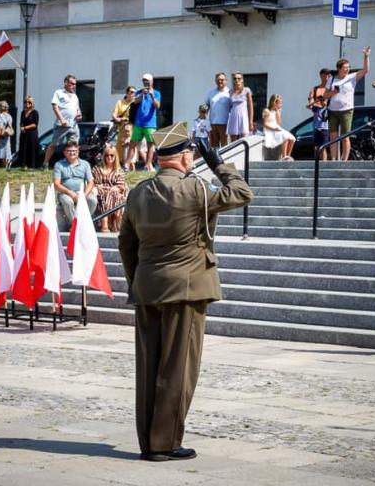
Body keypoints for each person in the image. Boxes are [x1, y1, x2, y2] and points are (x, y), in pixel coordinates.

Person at [118, 122, 253, 462]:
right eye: (191, 153)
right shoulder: (194, 190)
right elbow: (242, 192)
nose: (193, 157)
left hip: (148, 288)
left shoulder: (138, 192)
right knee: (177, 369)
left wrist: (139, 279)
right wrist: (220, 162)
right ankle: (165, 443)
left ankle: (149, 441)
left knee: (148, 369)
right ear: (182, 156)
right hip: (187, 288)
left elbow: (126, 243)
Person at [324, 47, 371, 161]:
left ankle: (344, 159)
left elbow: (365, 70)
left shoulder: (352, 77)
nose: (347, 69)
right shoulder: (331, 79)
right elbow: (325, 96)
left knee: (345, 137)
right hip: (332, 111)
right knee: (333, 137)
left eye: (348, 67)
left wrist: (366, 56)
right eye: (345, 68)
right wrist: (333, 92)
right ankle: (334, 159)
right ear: (339, 68)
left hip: (346, 110)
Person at [53, 140, 97, 230]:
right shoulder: (59, 164)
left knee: (92, 200)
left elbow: (91, 182)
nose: (72, 153)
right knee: (67, 201)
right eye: (69, 151)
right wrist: (70, 193)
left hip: (81, 192)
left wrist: (83, 195)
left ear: (78, 152)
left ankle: (80, 222)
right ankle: (76, 225)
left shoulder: (85, 164)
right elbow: (56, 184)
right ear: (65, 152)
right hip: (65, 192)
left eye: (74, 151)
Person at [43, 74, 82, 170]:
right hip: (62, 125)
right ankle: (45, 163)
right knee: (54, 145)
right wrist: (61, 119)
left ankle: (73, 164)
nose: (74, 86)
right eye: (72, 83)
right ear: (66, 82)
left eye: (75, 84)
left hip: (73, 125)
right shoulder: (59, 92)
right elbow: (55, 106)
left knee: (74, 145)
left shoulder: (75, 96)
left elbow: (78, 109)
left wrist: (79, 115)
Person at [92, 144, 129, 232]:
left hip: (115, 193)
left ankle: (105, 224)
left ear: (115, 156)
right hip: (100, 192)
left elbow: (120, 186)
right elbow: (94, 182)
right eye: (107, 155)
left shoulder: (119, 170)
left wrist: (109, 189)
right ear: (104, 156)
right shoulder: (97, 168)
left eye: (112, 155)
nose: (109, 157)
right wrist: (107, 188)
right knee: (107, 194)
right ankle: (112, 224)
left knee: (112, 194)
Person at [131, 73, 161, 172]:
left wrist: (152, 96)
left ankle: (148, 166)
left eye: (147, 81)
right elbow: (135, 102)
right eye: (144, 81)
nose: (145, 82)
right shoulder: (139, 92)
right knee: (133, 144)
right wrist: (141, 94)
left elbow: (157, 106)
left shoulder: (156, 93)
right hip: (138, 122)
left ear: (152, 82)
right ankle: (127, 165)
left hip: (150, 123)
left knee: (150, 145)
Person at [307, 68, 331, 160]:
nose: (328, 77)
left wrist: (322, 102)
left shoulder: (331, 89)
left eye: (329, 75)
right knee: (317, 146)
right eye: (326, 75)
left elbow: (328, 103)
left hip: (328, 123)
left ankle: (323, 166)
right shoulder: (315, 89)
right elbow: (311, 102)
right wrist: (312, 103)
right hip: (317, 123)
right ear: (321, 75)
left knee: (324, 146)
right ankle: (316, 164)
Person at [262, 94, 296, 161]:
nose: (281, 105)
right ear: (274, 102)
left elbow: (279, 123)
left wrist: (278, 112)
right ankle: (284, 155)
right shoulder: (266, 111)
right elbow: (265, 124)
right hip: (270, 130)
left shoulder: (276, 111)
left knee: (292, 138)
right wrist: (274, 128)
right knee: (285, 137)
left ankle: (288, 156)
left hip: (277, 128)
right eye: (279, 103)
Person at [205, 72, 231, 148]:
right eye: (218, 80)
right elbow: (206, 108)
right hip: (213, 124)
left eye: (222, 80)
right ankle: (215, 160)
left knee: (225, 147)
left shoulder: (229, 93)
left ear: (226, 80)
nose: (220, 81)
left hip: (225, 125)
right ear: (215, 81)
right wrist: (206, 123)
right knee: (214, 148)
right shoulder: (211, 93)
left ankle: (225, 160)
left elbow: (232, 109)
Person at [227, 72, 254, 142]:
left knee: (245, 139)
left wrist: (251, 121)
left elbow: (250, 107)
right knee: (233, 141)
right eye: (235, 78)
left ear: (242, 80)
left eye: (239, 78)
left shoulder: (246, 90)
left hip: (243, 116)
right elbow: (229, 106)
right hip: (233, 116)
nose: (237, 80)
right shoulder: (230, 91)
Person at [113, 87, 136, 167]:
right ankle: (119, 165)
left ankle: (130, 166)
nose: (133, 94)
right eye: (132, 92)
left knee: (131, 145)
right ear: (127, 93)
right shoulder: (120, 102)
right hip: (122, 127)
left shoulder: (135, 102)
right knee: (120, 146)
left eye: (134, 92)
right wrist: (118, 119)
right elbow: (114, 114)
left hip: (131, 128)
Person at [17, 96, 39, 168]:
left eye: (29, 102)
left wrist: (25, 127)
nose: (27, 104)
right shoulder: (23, 112)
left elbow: (35, 124)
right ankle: (23, 165)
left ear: (32, 103)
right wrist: (21, 127)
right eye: (25, 102)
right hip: (24, 134)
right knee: (23, 149)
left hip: (32, 134)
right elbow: (21, 122)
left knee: (31, 149)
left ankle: (32, 165)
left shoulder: (35, 112)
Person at [0, 101, 13, 168]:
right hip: (6, 139)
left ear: (1, 108)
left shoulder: (0, 116)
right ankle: (4, 170)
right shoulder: (9, 116)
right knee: (5, 156)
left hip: (0, 138)